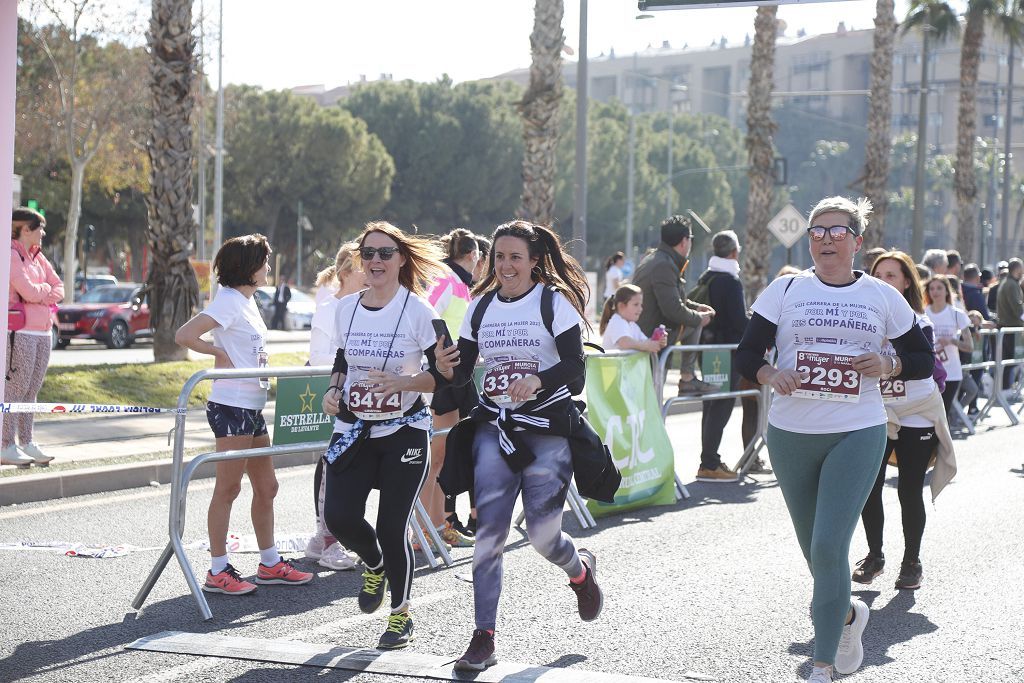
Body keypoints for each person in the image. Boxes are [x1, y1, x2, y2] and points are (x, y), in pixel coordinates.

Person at [736, 196, 933, 683]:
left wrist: (890, 364)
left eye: (836, 231)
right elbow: (744, 354)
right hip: (791, 433)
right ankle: (846, 614)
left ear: (857, 241)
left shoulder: (882, 297)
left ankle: (822, 664)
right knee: (813, 550)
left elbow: (923, 358)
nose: (825, 238)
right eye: (817, 230)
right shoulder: (786, 290)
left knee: (829, 545)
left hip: (857, 429)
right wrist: (768, 373)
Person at [440, 221, 605, 672]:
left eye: (515, 257)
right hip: (497, 430)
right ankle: (484, 637)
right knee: (489, 534)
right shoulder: (479, 307)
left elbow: (575, 369)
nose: (506, 265)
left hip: (548, 431)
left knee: (541, 535)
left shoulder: (554, 304)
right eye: (499, 257)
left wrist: (538, 379)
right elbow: (460, 373)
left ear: (534, 260)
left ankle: (580, 570)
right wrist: (444, 365)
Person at [320, 221, 456, 650]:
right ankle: (374, 563)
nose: (375, 261)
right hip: (354, 428)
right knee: (338, 517)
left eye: (384, 253)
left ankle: (401, 617)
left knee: (391, 523)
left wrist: (406, 383)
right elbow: (343, 356)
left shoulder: (419, 312)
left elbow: (446, 376)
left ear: (400, 260)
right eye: (369, 253)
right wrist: (333, 388)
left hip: (404, 431)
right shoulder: (347, 308)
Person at [175, 234, 314, 597]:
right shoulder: (230, 301)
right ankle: (217, 570)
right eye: (265, 261)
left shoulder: (247, 301)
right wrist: (217, 355)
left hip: (251, 405)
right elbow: (185, 334)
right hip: (232, 404)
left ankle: (269, 564)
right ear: (250, 267)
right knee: (229, 487)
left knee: (267, 486)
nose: (269, 268)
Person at [855, 250, 956, 592]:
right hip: (877, 412)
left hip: (915, 411)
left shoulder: (918, 321)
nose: (883, 281)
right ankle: (874, 555)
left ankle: (912, 561)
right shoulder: (862, 318)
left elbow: (924, 365)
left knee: (909, 489)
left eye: (891, 276)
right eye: (877, 274)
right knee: (869, 486)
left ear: (906, 282)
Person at [305, 242, 364, 572]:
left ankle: (321, 539)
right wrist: (357, 365)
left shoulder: (363, 305)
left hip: (354, 400)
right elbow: (319, 357)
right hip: (330, 399)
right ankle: (328, 541)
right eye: (363, 265)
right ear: (345, 273)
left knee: (339, 468)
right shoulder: (330, 308)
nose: (371, 270)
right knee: (333, 468)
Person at [422, 227, 480, 549]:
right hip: (444, 376)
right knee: (438, 456)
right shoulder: (446, 278)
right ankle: (426, 529)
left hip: (460, 376)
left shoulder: (463, 284)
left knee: (449, 455)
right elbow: (427, 313)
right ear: (473, 255)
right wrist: (438, 355)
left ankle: (439, 525)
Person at [3, 208, 63, 468]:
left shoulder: (39, 258)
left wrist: (40, 293)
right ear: (25, 229)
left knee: (32, 390)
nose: (43, 233)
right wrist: (43, 292)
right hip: (21, 332)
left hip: (43, 331)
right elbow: (25, 289)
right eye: (40, 228)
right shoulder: (11, 254)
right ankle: (6, 444)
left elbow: (59, 288)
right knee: (15, 390)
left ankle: (26, 441)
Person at [695, 230, 757, 481]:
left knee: (711, 405)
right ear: (734, 252)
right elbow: (738, 321)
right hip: (724, 350)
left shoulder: (706, 277)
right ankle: (709, 462)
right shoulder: (730, 281)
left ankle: (708, 459)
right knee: (721, 404)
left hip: (706, 348)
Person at [631, 215, 715, 395]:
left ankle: (687, 377)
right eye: (690, 239)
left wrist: (694, 307)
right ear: (684, 241)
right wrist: (699, 317)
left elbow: (674, 298)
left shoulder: (656, 259)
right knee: (696, 321)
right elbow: (673, 310)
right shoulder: (664, 265)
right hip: (651, 340)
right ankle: (687, 378)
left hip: (648, 337)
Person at [924, 275, 972, 416]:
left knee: (944, 413)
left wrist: (951, 341)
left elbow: (969, 347)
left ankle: (944, 438)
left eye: (939, 288)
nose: (935, 292)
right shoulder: (923, 313)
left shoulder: (957, 314)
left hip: (951, 373)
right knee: (930, 414)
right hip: (928, 372)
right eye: (932, 288)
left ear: (947, 291)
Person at [599, 284, 667, 353]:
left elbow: (644, 341)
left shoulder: (633, 325)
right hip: (612, 364)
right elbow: (625, 342)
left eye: (641, 305)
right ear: (621, 306)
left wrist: (657, 342)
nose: (640, 309)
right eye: (636, 304)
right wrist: (647, 346)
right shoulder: (617, 322)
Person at [996, 258, 1023, 391]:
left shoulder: (1007, 282)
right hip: (1011, 328)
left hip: (1007, 327)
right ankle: (1005, 389)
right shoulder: (1012, 285)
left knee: (1007, 360)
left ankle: (1005, 388)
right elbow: (1018, 308)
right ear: (1017, 269)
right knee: (1009, 360)